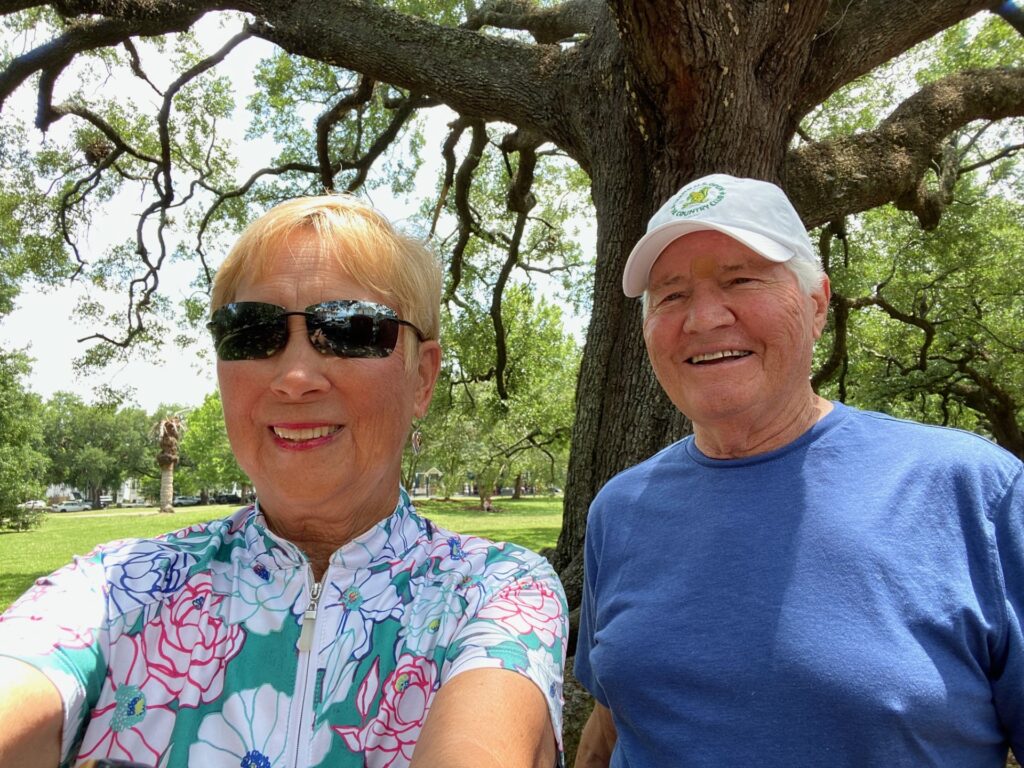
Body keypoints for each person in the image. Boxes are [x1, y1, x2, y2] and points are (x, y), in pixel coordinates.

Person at [0, 195, 568, 768]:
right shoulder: (116, 588)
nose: (295, 378)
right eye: (251, 332)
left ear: (421, 378)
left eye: (350, 328)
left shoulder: (495, 591)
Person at [573, 174, 1024, 767]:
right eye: (671, 295)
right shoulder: (620, 510)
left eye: (741, 279)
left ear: (816, 305)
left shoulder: (976, 492)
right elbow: (615, 720)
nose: (704, 318)